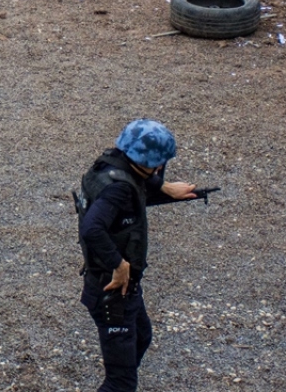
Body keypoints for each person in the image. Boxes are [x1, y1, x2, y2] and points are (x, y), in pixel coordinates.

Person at [74, 119, 199, 392]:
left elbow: (132, 193)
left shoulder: (110, 166)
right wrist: (119, 266)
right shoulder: (118, 189)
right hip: (112, 290)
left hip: (123, 290)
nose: (160, 169)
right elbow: (92, 228)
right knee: (121, 384)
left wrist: (164, 188)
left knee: (141, 336)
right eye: (158, 164)